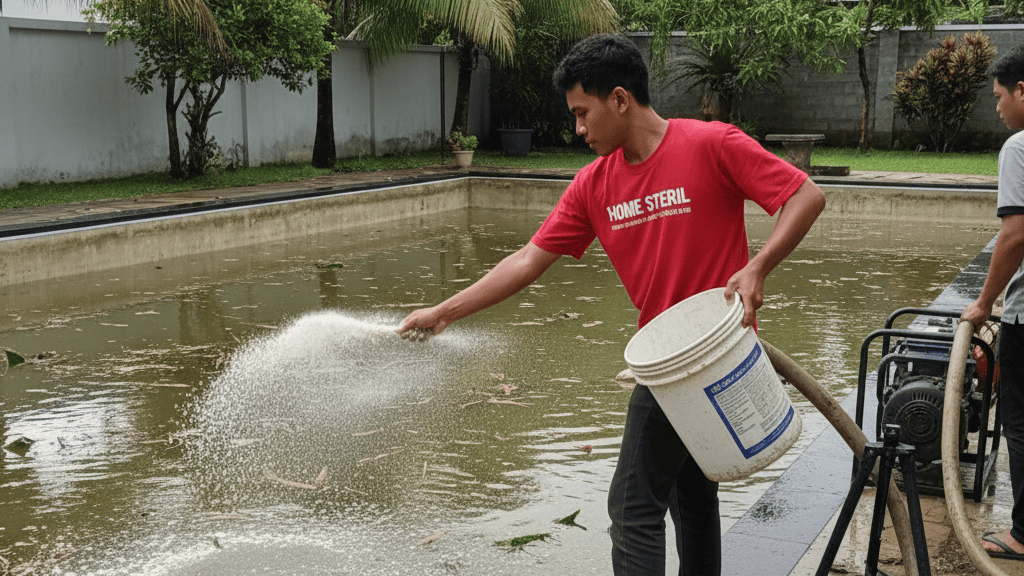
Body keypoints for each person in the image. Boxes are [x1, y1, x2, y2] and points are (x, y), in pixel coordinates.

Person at [398, 33, 825, 575]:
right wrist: (443, 313)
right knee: (690, 496)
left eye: (582, 113)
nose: (577, 129)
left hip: (710, 356)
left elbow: (804, 196)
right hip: (663, 355)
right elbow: (527, 262)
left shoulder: (711, 144)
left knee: (631, 504)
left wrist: (756, 267)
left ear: (620, 99)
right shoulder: (594, 185)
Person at [962, 43, 1024, 561]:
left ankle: (1023, 534)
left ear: (1021, 90)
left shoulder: (1019, 147)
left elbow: (1015, 234)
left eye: (1000, 96)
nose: (997, 106)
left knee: (1019, 423)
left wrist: (983, 304)